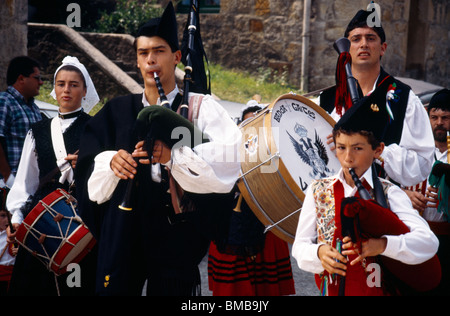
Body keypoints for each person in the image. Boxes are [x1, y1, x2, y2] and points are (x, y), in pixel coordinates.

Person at [75, 3, 241, 296]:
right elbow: (87, 165)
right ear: (137, 61)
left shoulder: (202, 108)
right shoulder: (116, 110)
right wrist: (110, 162)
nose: (151, 59)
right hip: (124, 227)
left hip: (176, 231)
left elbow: (229, 159)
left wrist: (173, 158)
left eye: (159, 51)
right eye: (143, 53)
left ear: (177, 57)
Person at [292, 94, 439, 296]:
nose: (348, 158)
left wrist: (383, 245)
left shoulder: (390, 193)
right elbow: (299, 246)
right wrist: (318, 253)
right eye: (341, 148)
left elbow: (428, 243)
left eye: (358, 148)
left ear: (377, 150)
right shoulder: (318, 190)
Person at [6, 56, 98, 296]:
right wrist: (17, 217)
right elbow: (26, 181)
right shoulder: (37, 130)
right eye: (61, 84)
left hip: (80, 222)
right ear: (54, 89)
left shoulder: (96, 129)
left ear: (84, 89)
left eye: (74, 84)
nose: (66, 90)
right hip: (42, 222)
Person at [319, 8, 434, 188]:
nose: (363, 44)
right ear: (346, 50)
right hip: (332, 197)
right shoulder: (327, 100)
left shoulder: (404, 99)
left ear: (383, 48)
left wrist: (378, 152)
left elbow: (423, 163)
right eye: (356, 39)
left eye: (370, 38)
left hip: (383, 203)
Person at [207, 102, 296, 296]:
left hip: (268, 226)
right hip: (230, 226)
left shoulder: (279, 157)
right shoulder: (227, 153)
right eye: (248, 126)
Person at [403, 88, 450, 295]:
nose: (439, 122)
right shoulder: (414, 150)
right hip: (416, 234)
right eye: (435, 117)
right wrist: (406, 194)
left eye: (446, 117)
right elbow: (386, 183)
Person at [0, 56, 43, 188]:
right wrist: (8, 178)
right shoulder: (4, 101)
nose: (41, 82)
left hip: (29, 184)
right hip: (7, 185)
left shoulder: (34, 109)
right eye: (37, 78)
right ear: (21, 79)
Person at [0, 203, 16, 296]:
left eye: (11, 216)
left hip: (10, 280)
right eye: (3, 215)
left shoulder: (16, 235)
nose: (8, 220)